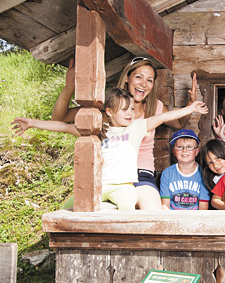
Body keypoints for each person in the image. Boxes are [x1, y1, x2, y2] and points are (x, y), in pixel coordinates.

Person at [12, 88, 208, 210]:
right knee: (68, 208)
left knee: (127, 211)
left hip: (123, 186)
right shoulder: (98, 131)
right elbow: (63, 126)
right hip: (98, 185)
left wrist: (190, 109)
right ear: (109, 111)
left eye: (131, 109)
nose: (130, 113)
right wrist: (32, 123)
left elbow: (163, 118)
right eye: (124, 110)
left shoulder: (136, 129)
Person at [51, 57, 199, 210]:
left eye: (149, 80)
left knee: (152, 210)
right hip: (110, 176)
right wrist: (69, 87)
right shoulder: (110, 108)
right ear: (127, 77)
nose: (144, 83)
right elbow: (60, 118)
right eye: (138, 77)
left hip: (141, 173)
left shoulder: (155, 107)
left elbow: (179, 123)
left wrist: (190, 103)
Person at [160, 129, 210, 210]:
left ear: (197, 151)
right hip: (173, 217)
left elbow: (203, 208)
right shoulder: (167, 173)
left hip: (195, 218)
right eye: (180, 147)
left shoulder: (203, 173)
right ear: (174, 151)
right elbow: (165, 205)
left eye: (189, 147)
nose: (184, 150)